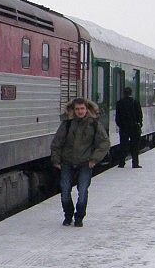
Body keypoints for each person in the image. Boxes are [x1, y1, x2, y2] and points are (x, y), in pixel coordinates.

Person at [50, 97, 111, 227]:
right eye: (77, 109)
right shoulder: (67, 124)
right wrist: (56, 160)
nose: (80, 111)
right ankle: (68, 215)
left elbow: (105, 143)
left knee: (82, 191)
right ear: (73, 110)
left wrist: (94, 159)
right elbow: (56, 143)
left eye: (82, 108)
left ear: (87, 109)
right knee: (65, 191)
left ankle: (79, 217)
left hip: (85, 163)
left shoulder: (93, 124)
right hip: (67, 162)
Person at [114, 86, 143, 168]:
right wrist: (139, 124)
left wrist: (120, 125)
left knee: (123, 145)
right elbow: (140, 115)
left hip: (123, 128)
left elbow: (117, 117)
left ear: (123, 93)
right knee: (135, 146)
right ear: (131, 93)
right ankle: (135, 163)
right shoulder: (135, 102)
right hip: (134, 127)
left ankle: (121, 163)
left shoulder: (119, 103)